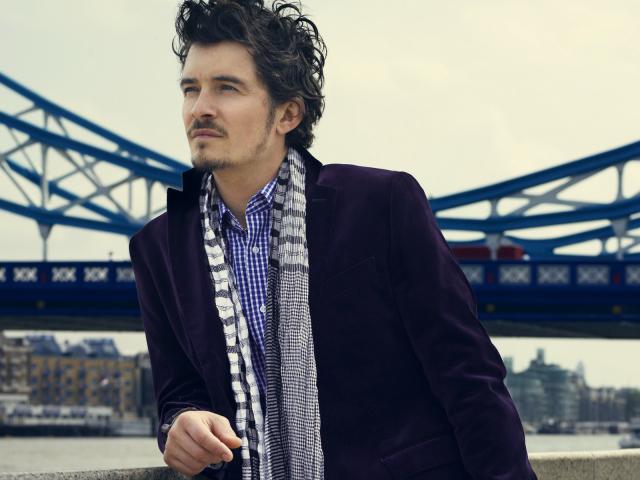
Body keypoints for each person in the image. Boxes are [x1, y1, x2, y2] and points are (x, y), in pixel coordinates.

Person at [128, 1, 538, 479]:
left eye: (227, 88)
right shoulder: (157, 249)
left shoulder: (381, 205)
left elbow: (468, 377)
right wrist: (180, 424)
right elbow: (178, 392)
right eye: (191, 89)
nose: (200, 108)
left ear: (287, 114)